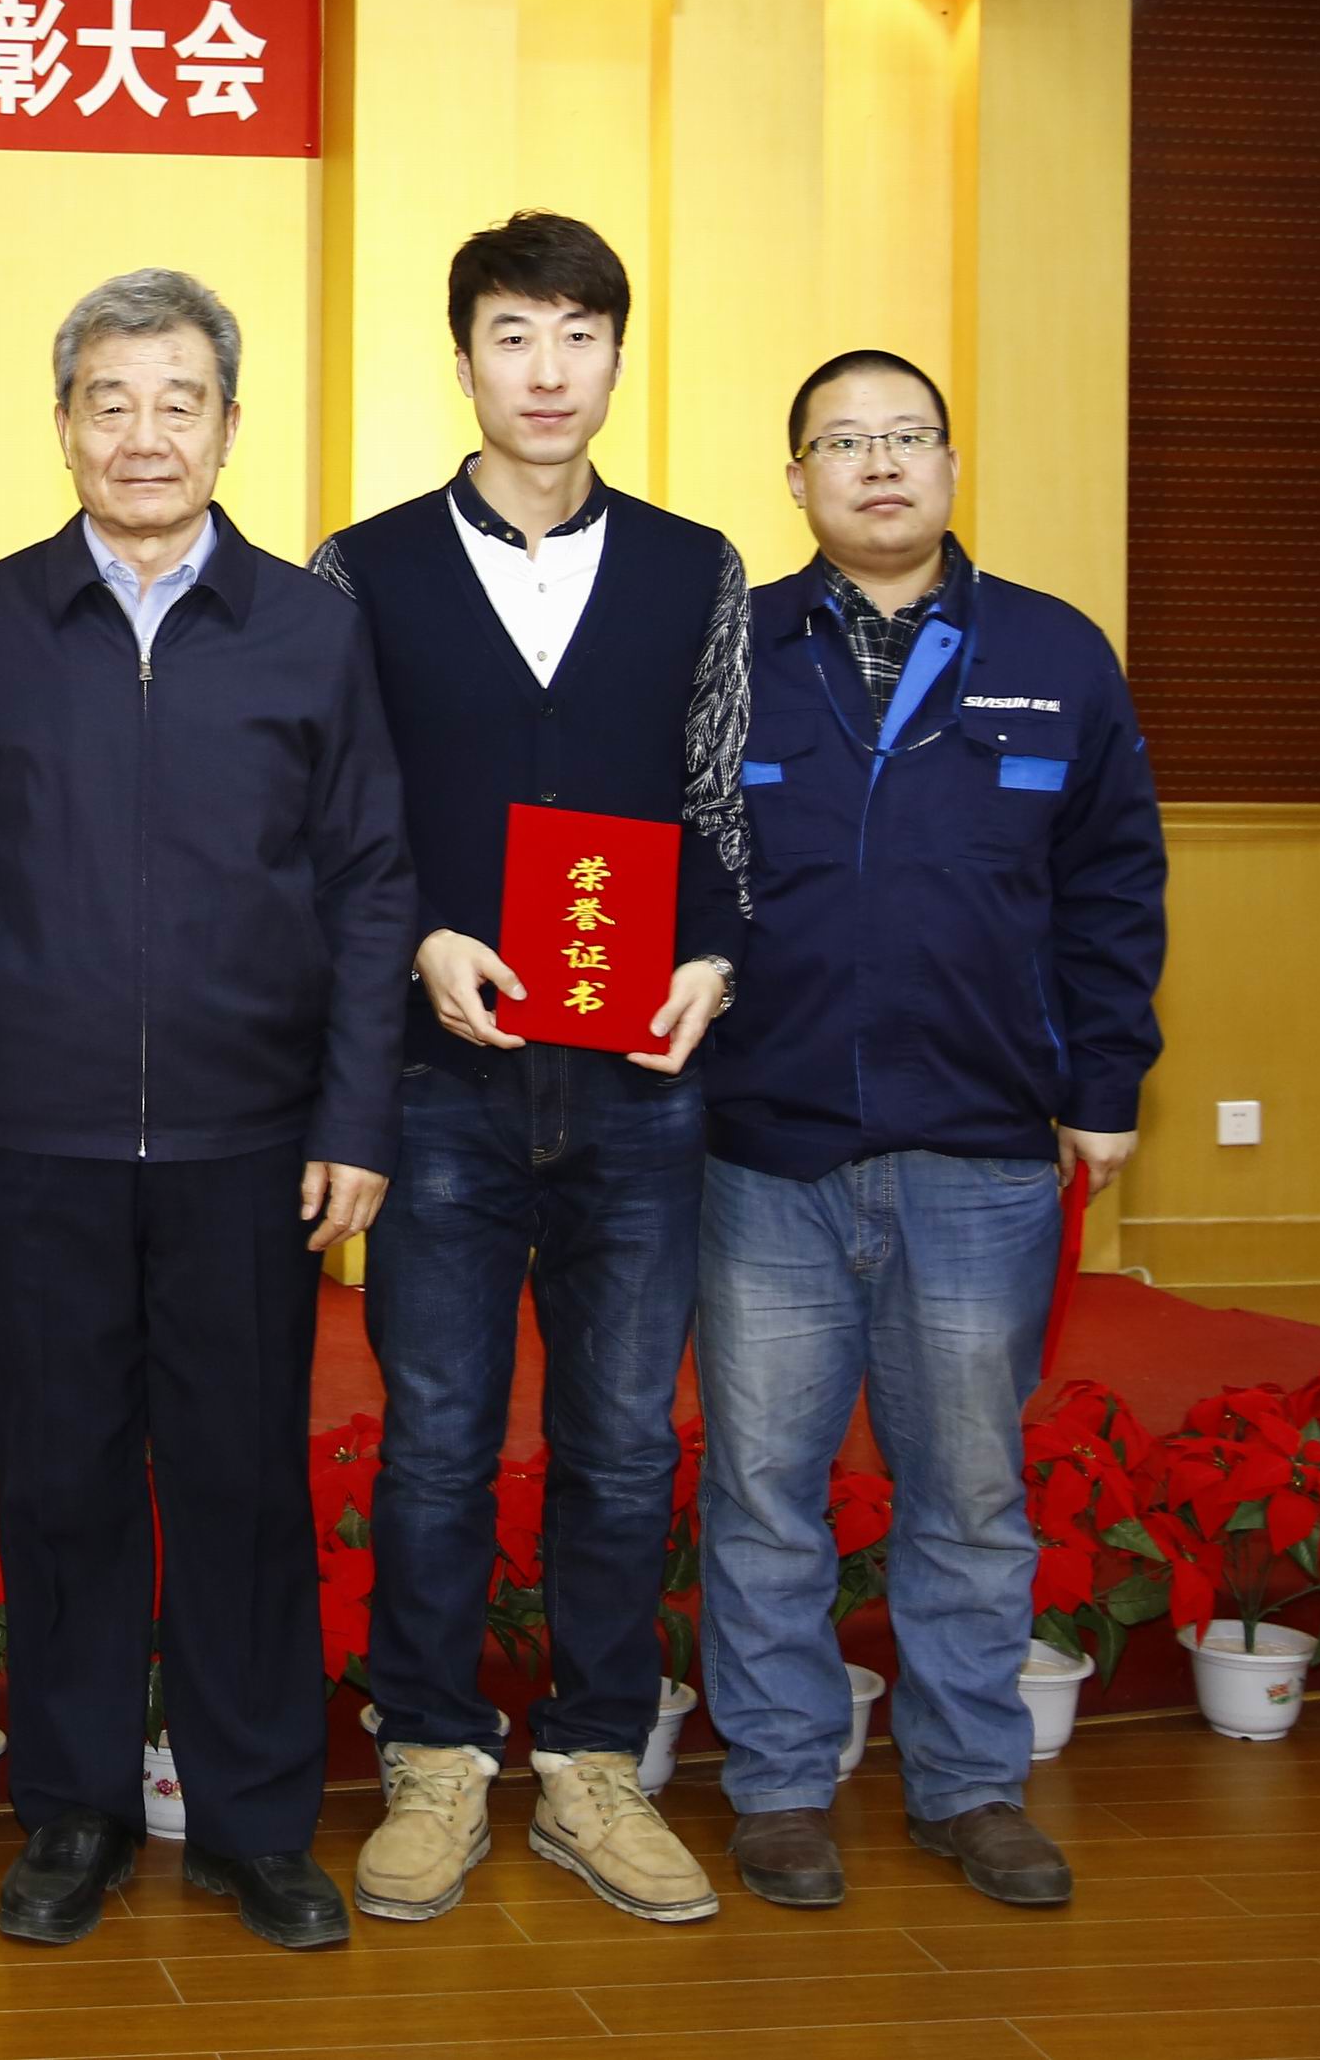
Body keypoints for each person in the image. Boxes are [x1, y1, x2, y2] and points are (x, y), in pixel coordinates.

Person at [0, 267, 417, 1957]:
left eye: (176, 402)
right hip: (31, 1136)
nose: (141, 435)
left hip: (251, 1141)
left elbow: (368, 884)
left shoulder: (310, 627)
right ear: (61, 424)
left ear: (227, 426)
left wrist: (355, 1115)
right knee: (59, 1483)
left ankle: (255, 1823)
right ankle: (73, 1812)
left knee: (242, 1484)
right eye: (107, 402)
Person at [311, 210, 750, 1928]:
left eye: (578, 334)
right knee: (433, 1437)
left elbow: (720, 806)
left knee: (623, 1442)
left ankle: (591, 1762)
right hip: (441, 1082)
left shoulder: (695, 567)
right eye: (513, 334)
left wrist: (711, 954)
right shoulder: (362, 569)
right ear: (464, 359)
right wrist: (417, 939)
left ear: (617, 358)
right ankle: (430, 1753)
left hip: (640, 1078)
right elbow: (339, 815)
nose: (547, 369)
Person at [697, 350, 1165, 1914]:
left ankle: (969, 1785)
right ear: (796, 479)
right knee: (764, 1485)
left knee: (965, 1491)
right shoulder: (730, 648)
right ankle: (779, 1783)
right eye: (843, 441)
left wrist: (1105, 1082)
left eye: (907, 437)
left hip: (977, 1150)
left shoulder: (1050, 649)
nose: (879, 464)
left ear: (951, 464)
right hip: (763, 1151)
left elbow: (1112, 883)